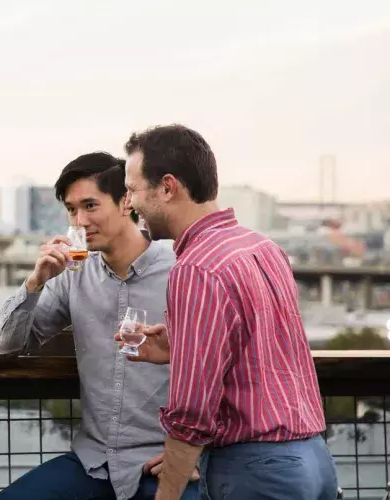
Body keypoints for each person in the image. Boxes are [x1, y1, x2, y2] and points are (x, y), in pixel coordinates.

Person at [119, 124, 336, 500]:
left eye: (133, 189)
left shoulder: (195, 268)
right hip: (314, 460)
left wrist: (167, 493)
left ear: (167, 187)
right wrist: (179, 347)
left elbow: (191, 411)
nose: (129, 203)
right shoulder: (261, 247)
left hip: (257, 472)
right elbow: (262, 349)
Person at [0, 152, 199, 500]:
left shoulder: (183, 270)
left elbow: (230, 368)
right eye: (72, 210)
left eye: (90, 205)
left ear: (126, 202)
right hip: (92, 462)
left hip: (162, 463)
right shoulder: (72, 273)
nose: (80, 220)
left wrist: (197, 453)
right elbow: (4, 345)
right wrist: (35, 281)